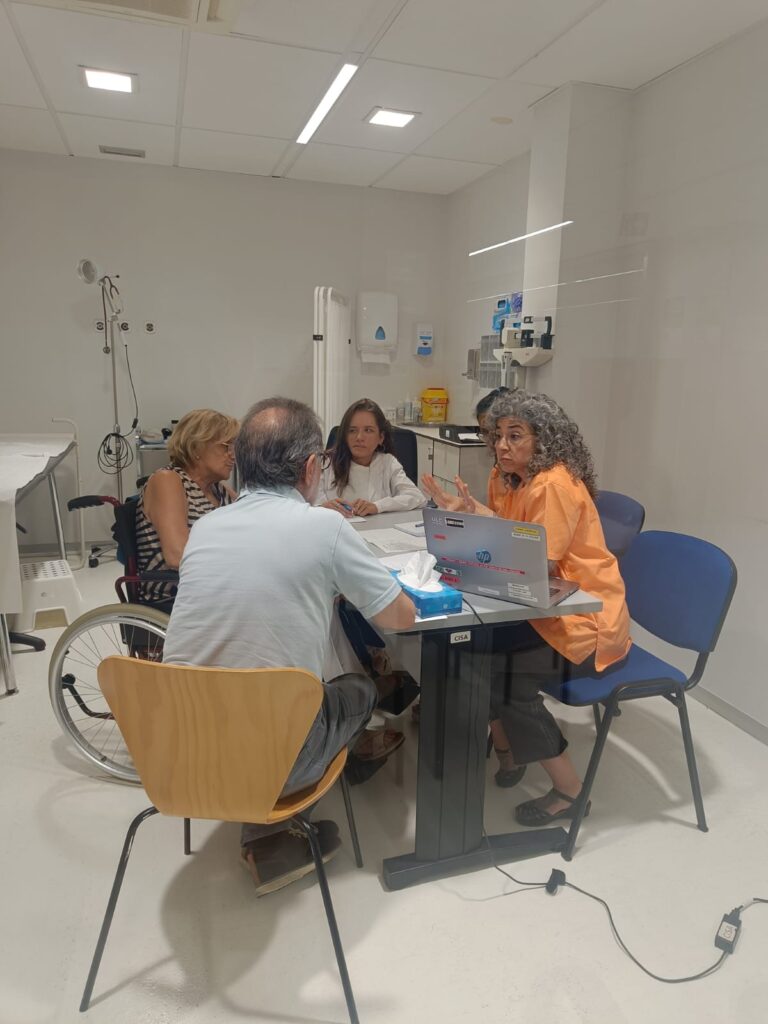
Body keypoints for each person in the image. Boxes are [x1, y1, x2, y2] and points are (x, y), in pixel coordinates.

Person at [162, 397, 416, 895]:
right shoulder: (324, 527)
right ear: (310, 467)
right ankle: (275, 827)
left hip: (181, 749)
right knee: (359, 689)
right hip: (272, 753)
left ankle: (264, 819)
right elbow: (400, 617)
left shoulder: (207, 527)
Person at [422, 389, 631, 826]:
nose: (501, 446)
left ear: (545, 438)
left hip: (584, 620)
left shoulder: (552, 484)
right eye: (497, 435)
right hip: (542, 608)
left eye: (515, 436)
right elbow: (513, 537)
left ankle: (570, 792)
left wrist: (476, 531)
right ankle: (508, 751)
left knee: (505, 679)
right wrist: (472, 516)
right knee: (473, 653)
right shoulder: (508, 476)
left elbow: (537, 564)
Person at [135, 408, 239, 610]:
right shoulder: (168, 481)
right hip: (175, 598)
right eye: (227, 447)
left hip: (212, 590)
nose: (232, 456)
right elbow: (177, 555)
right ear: (196, 448)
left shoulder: (218, 490)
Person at [317, 398, 425, 517]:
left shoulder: (388, 463)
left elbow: (417, 497)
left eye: (368, 430)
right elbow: (307, 503)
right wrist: (323, 507)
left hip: (379, 528)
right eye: (352, 430)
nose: (359, 437)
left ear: (381, 437)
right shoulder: (326, 463)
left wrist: (377, 506)